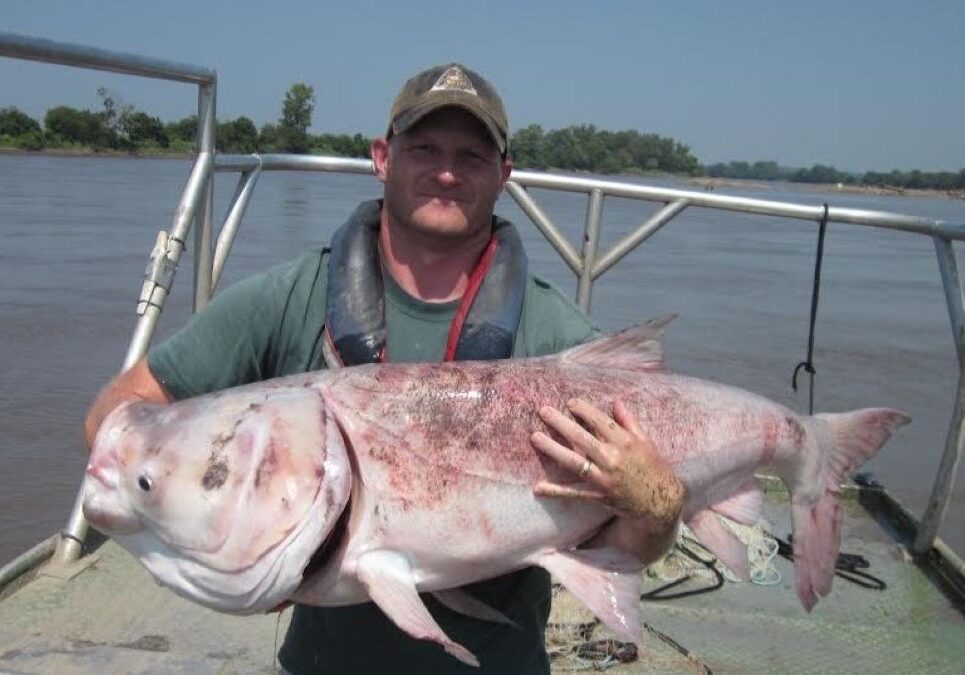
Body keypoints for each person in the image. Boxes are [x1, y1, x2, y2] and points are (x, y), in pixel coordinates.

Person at [84, 63, 684, 675]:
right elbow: (124, 408)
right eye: (424, 148)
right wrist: (227, 549)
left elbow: (625, 552)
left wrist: (658, 510)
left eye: (471, 156)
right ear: (382, 157)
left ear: (503, 175)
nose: (446, 172)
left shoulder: (555, 333)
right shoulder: (289, 297)